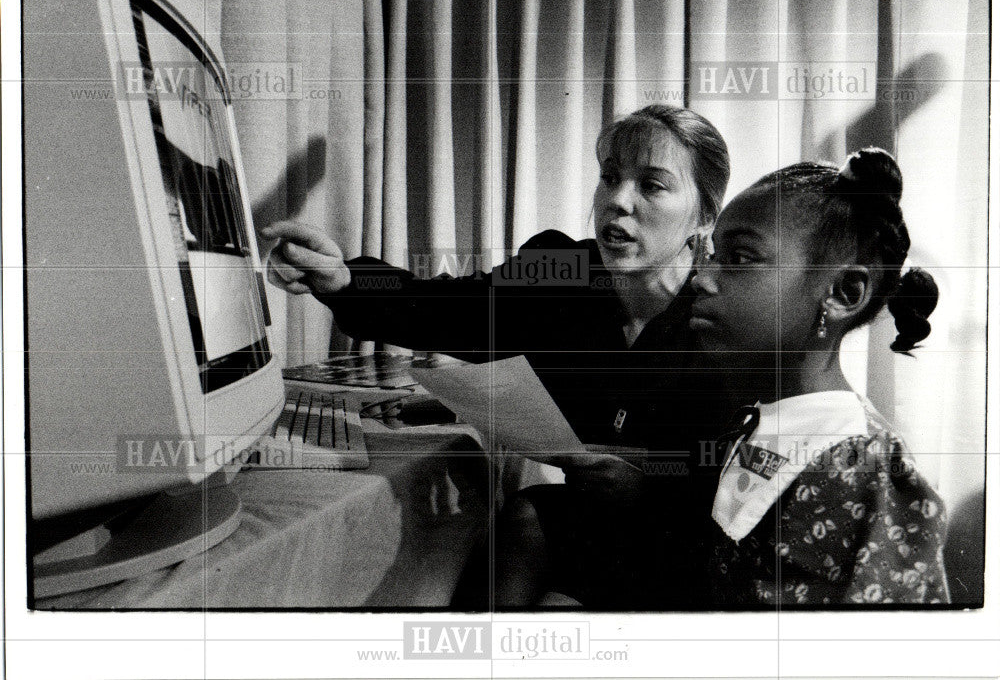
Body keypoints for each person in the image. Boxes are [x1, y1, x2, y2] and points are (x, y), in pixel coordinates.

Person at [262, 104, 731, 608]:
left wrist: (648, 486)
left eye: (653, 185)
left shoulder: (728, 314)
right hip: (588, 526)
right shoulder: (562, 270)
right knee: (526, 516)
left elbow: (739, 478)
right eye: (610, 177)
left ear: (703, 215)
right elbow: (450, 310)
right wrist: (347, 281)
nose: (617, 201)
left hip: (684, 548)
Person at [689, 147, 950, 605]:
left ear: (843, 293)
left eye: (741, 257)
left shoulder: (868, 470)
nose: (701, 279)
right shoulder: (753, 422)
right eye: (710, 256)